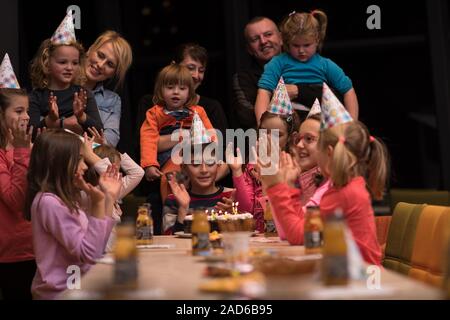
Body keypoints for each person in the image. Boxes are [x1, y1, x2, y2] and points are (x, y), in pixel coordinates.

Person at [260, 84, 387, 265]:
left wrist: (275, 187)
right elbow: (305, 225)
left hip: (363, 281)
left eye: (310, 140)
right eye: (299, 139)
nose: (299, 145)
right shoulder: (340, 187)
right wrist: (287, 188)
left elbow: (298, 235)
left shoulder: (346, 193)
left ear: (327, 151)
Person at [24, 129, 121, 299]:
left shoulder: (64, 199)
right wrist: (98, 203)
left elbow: (97, 246)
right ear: (58, 162)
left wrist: (109, 197)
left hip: (76, 290)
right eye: (79, 160)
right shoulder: (49, 203)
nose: (84, 166)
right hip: (61, 294)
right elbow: (89, 254)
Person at [140, 63, 215, 233]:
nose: (176, 92)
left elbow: (211, 133)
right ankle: (171, 212)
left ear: (189, 92)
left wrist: (213, 153)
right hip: (169, 158)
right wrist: (150, 164)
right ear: (161, 90)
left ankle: (199, 210)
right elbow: (148, 138)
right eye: (170, 87)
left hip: (195, 155)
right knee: (171, 179)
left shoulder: (197, 111)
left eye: (182, 88)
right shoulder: (155, 113)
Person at [254, 10, 359, 125]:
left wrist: (352, 124)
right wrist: (262, 124)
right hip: (289, 119)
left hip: (320, 120)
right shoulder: (278, 63)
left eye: (307, 45)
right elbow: (263, 92)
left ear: (317, 40)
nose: (301, 50)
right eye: (295, 45)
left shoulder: (325, 64)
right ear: (287, 42)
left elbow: (348, 91)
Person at [227, 79, 300, 232]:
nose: (267, 138)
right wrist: (237, 172)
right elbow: (247, 209)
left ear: (291, 137)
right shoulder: (253, 165)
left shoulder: (294, 168)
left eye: (276, 135)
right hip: (260, 238)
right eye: (264, 132)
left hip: (288, 233)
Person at [28, 12, 103, 136]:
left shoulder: (83, 95)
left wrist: (81, 116)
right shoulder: (37, 96)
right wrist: (51, 120)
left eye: (75, 63)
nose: (69, 68)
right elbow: (29, 133)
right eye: (62, 62)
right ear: (47, 63)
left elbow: (99, 131)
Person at [0, 54, 35, 300]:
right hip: (11, 255)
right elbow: (15, 200)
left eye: (28, 111)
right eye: (19, 111)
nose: (26, 117)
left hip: (38, 248)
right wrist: (23, 152)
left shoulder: (30, 148)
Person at [83, 133, 144, 251]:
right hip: (98, 254)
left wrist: (108, 147)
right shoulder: (90, 192)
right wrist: (90, 155)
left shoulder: (115, 190)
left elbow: (138, 172)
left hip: (112, 252)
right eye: (114, 167)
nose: (118, 171)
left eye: (119, 167)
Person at [84, 31, 133, 147]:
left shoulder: (113, 100)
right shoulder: (61, 83)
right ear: (90, 50)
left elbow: (110, 141)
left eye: (110, 64)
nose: (100, 65)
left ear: (113, 73)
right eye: (100, 55)